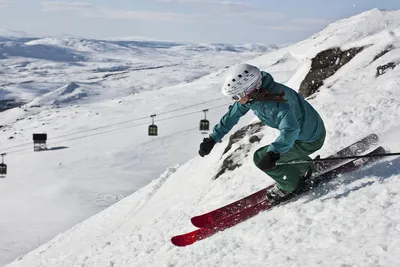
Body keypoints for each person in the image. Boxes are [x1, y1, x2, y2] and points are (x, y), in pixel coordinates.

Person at [198, 63, 326, 201]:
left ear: (249, 89)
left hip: (310, 138)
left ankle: (289, 185)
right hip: (305, 132)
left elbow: (290, 130)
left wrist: (274, 153)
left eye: (236, 96)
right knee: (270, 156)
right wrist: (213, 138)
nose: (235, 99)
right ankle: (305, 167)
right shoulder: (256, 96)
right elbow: (232, 116)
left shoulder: (276, 102)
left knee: (261, 158)